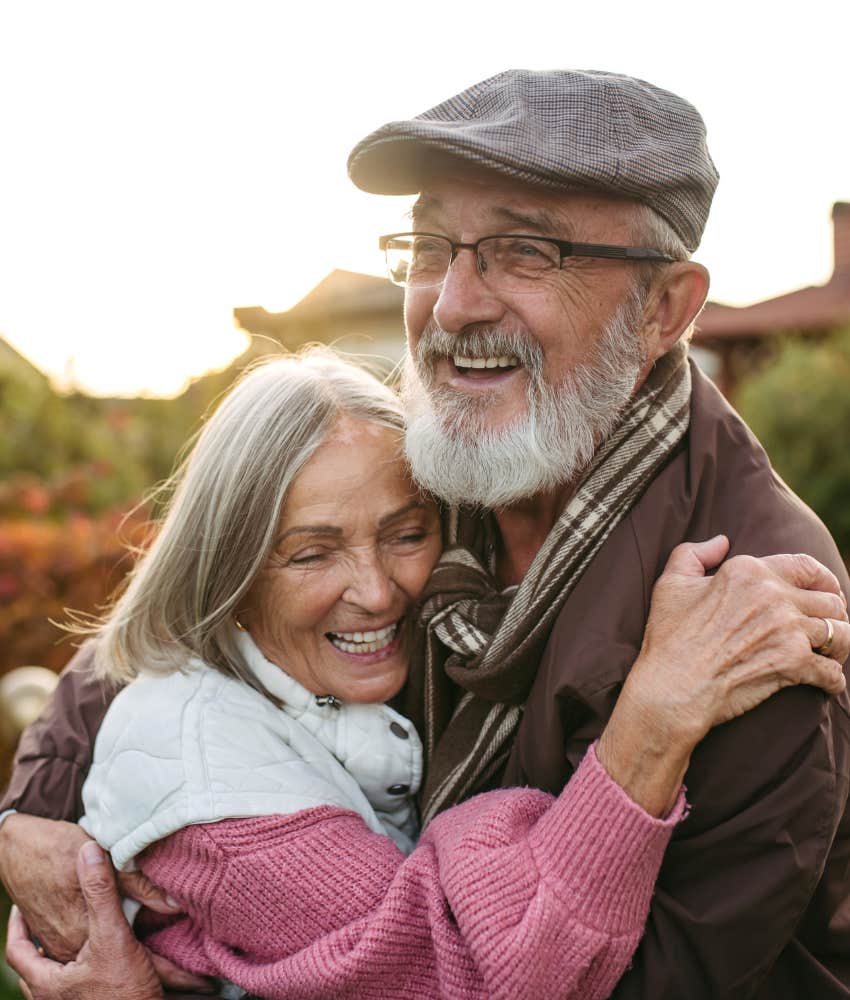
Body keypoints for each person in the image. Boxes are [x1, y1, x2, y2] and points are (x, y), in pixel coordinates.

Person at [3, 68, 850, 998]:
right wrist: (27, 827)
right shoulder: (434, 450)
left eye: (525, 252)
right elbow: (169, 620)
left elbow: (648, 983)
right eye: (430, 245)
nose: (451, 305)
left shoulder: (756, 612)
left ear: (666, 309)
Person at [9, 347, 845, 1000]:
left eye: (406, 535)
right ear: (226, 575)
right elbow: (479, 983)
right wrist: (651, 722)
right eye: (312, 552)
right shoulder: (222, 802)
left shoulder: (333, 664)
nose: (377, 593)